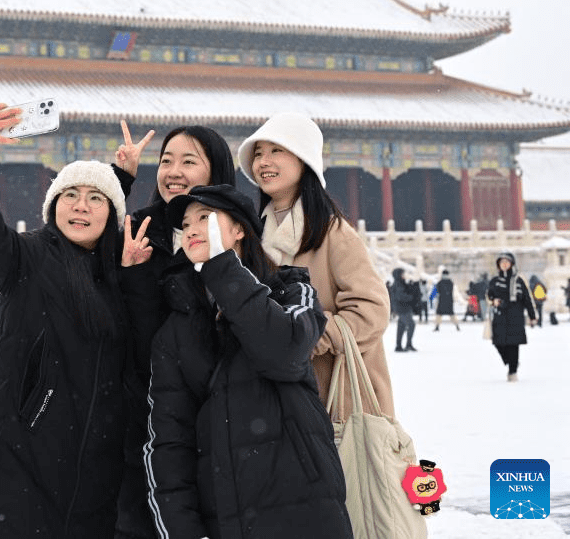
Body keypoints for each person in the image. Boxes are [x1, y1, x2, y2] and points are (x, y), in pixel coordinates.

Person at [0, 103, 132, 537]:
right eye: (69, 195)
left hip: (99, 466)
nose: (80, 207)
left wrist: (120, 179)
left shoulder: (122, 272)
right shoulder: (25, 258)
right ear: (53, 206)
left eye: (94, 199)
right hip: (24, 454)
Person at [133, 184, 351, 538]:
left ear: (239, 231)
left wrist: (222, 268)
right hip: (227, 514)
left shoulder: (293, 291)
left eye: (204, 218)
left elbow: (284, 355)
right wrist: (182, 529)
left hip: (306, 506)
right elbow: (168, 440)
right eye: (185, 224)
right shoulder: (176, 328)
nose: (191, 229)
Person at [113, 122, 236, 539]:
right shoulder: (139, 232)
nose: (173, 172)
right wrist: (131, 274)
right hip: (149, 411)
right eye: (166, 161)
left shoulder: (239, 235)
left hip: (225, 411)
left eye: (189, 161)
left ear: (216, 171)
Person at [238, 112, 394, 418]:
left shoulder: (333, 233)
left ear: (303, 160)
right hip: (277, 397)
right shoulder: (253, 236)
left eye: (276, 151)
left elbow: (372, 310)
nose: (263, 162)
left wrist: (308, 337)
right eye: (258, 154)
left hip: (337, 399)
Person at [487, 251, 537, 382]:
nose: (504, 264)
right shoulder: (495, 280)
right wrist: (493, 301)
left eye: (506, 262)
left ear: (511, 264)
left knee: (513, 344)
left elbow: (527, 299)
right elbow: (488, 296)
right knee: (498, 343)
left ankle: (512, 371)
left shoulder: (519, 280)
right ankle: (510, 361)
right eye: (501, 262)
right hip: (500, 317)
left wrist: (532, 316)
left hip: (515, 316)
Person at [389, 268, 419, 352]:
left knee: (401, 326)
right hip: (403, 308)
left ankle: (398, 346)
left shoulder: (400, 283)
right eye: (402, 274)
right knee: (411, 325)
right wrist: (411, 297)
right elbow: (401, 296)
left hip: (401, 308)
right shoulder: (398, 284)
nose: (404, 275)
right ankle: (408, 344)